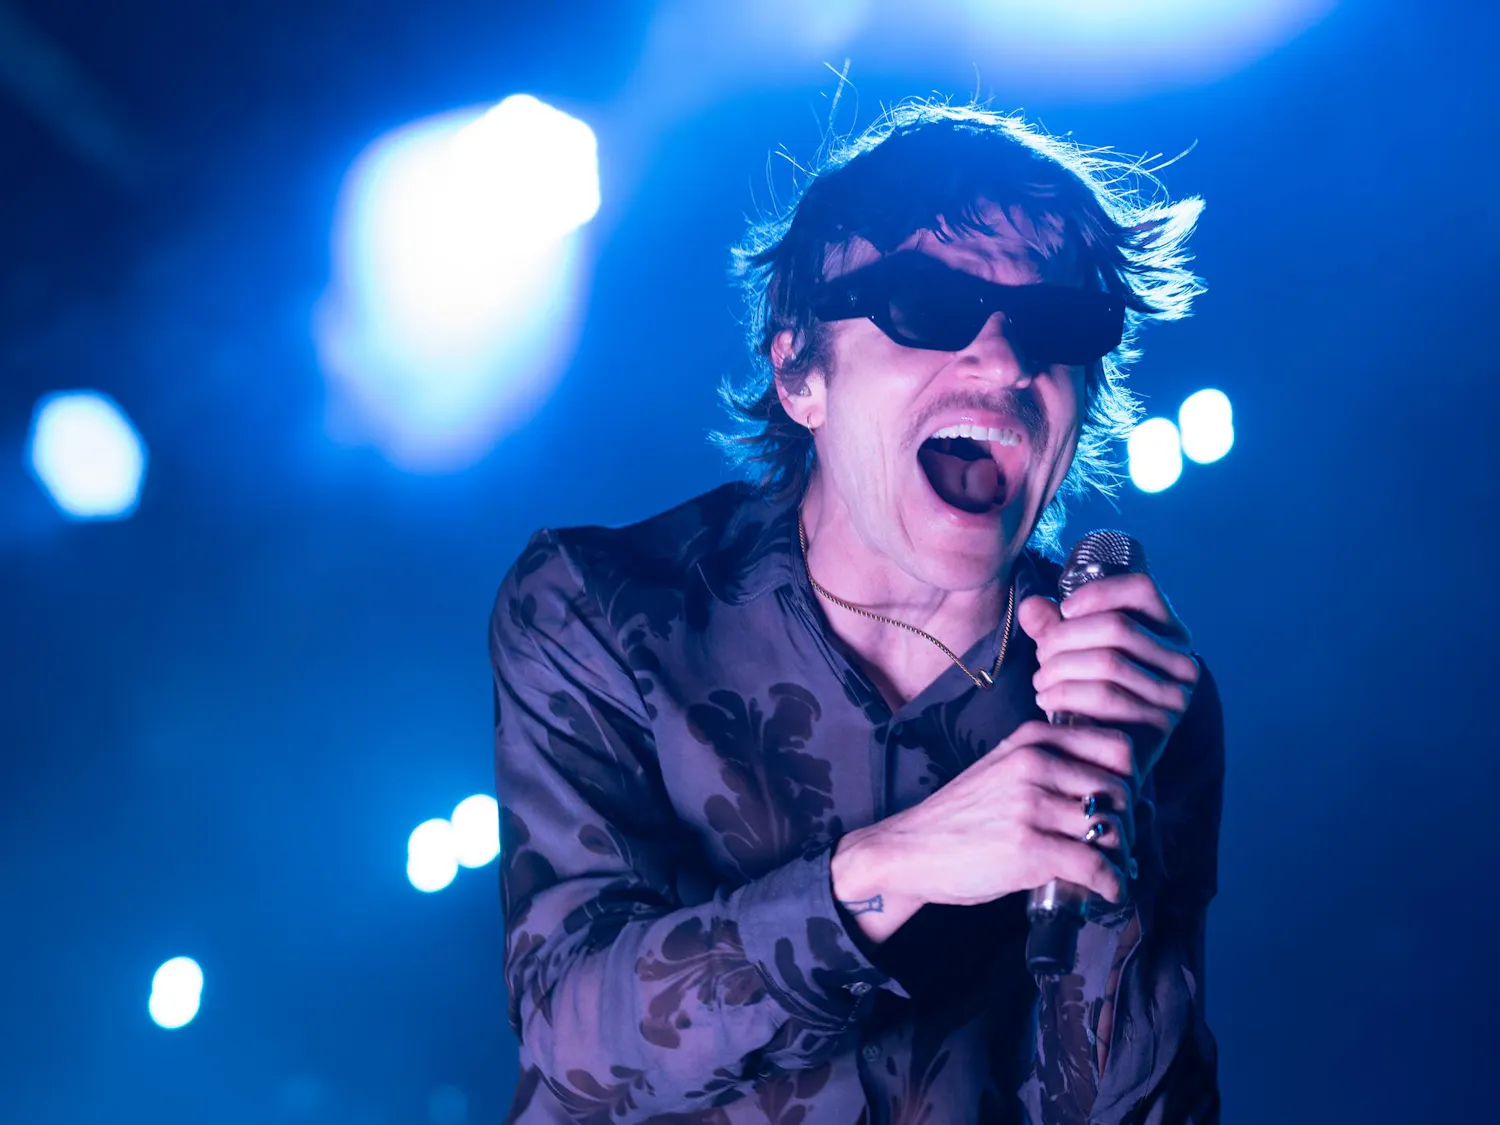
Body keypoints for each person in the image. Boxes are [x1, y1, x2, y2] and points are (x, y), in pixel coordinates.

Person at [489, 101, 1222, 1125]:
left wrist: (1120, 823)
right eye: (927, 304)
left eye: (1059, 324)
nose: (1008, 361)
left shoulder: (1124, 687)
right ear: (798, 370)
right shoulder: (601, 608)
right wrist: (899, 864)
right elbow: (577, 1037)